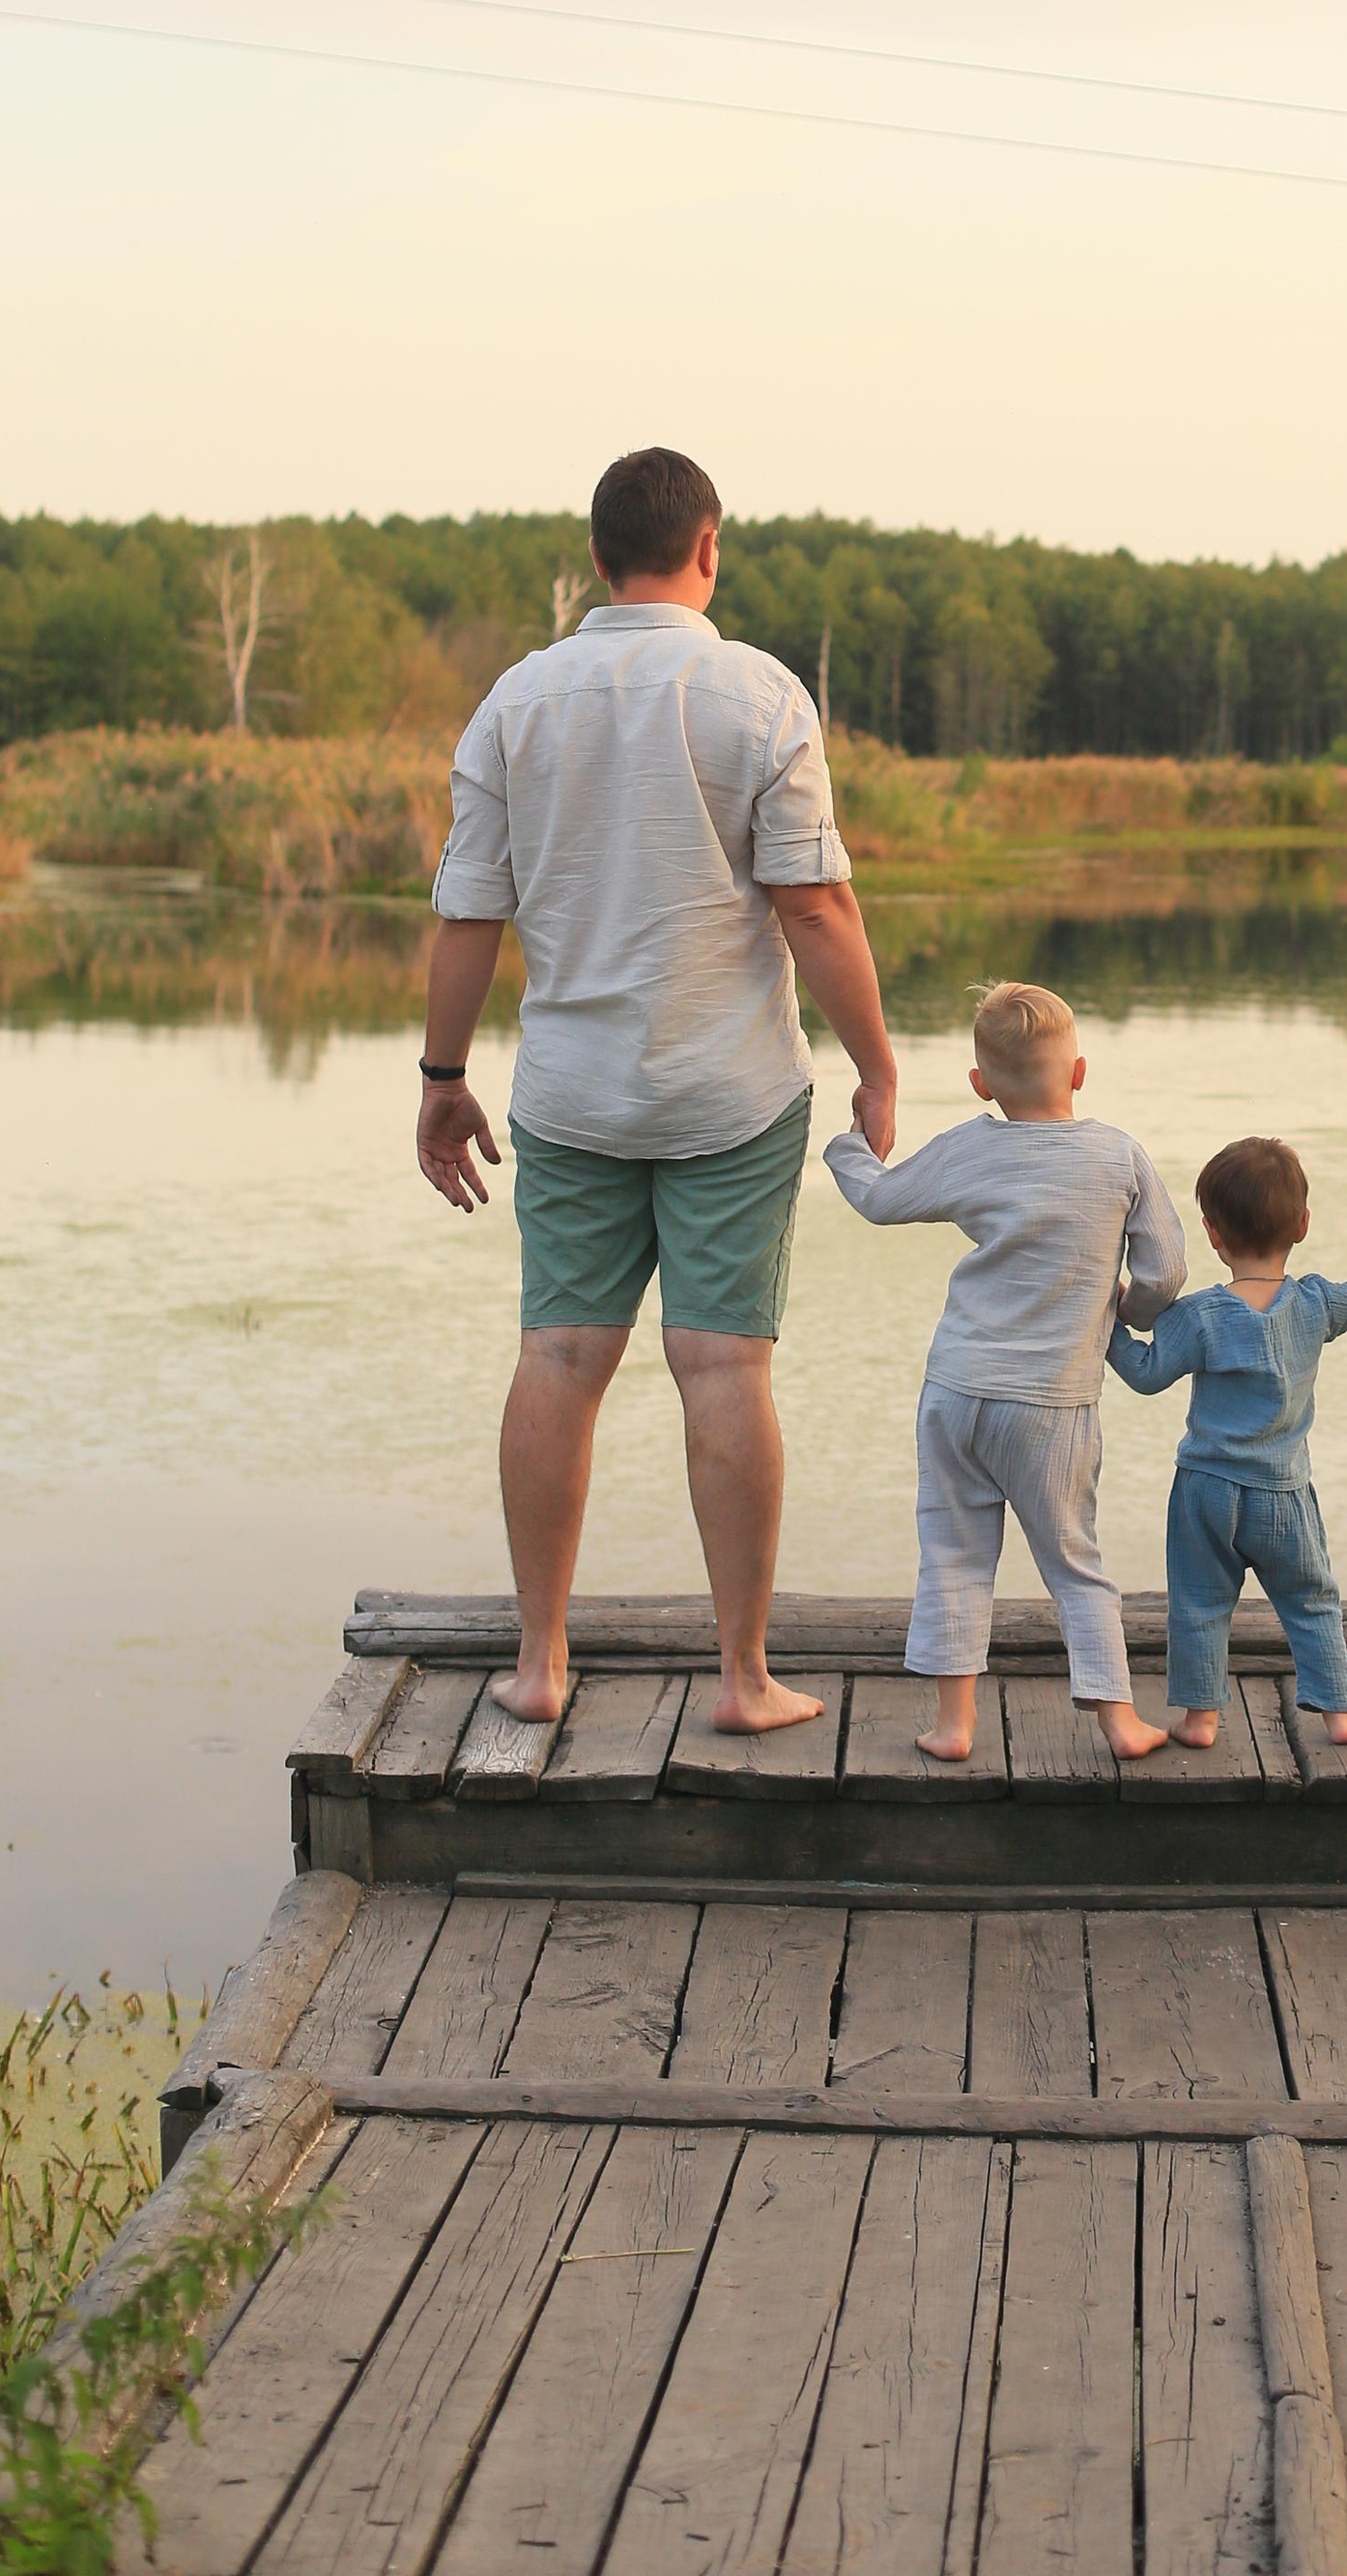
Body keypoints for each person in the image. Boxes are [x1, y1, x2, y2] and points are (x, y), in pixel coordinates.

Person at [415, 446, 898, 1736]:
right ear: (709, 548)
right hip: (730, 1093)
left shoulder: (516, 701)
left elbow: (468, 915)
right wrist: (877, 1063)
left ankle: (539, 1665)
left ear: (596, 556)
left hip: (572, 1093)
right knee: (724, 1368)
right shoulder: (760, 694)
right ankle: (743, 1679)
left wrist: (443, 1078)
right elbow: (814, 905)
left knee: (559, 1358)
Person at [823, 980, 1182, 1762]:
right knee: (1074, 1562)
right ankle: (1119, 1721)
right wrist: (1130, 1307)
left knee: (952, 1554)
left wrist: (850, 1146)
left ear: (980, 1084)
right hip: (1052, 1402)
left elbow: (880, 1200)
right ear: (1079, 1073)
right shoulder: (1118, 1156)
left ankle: (954, 1726)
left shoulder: (969, 1147)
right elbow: (1166, 1270)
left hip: (956, 1391)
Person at [1108, 1135, 1347, 1749]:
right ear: (1302, 1224)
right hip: (1283, 1493)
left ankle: (1200, 1719)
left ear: (1212, 1233)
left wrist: (1107, 1317)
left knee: (1198, 1603)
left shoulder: (1197, 1316)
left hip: (1205, 1490)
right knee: (1311, 1601)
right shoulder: (1316, 1304)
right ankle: (1340, 1714)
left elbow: (1143, 1374)